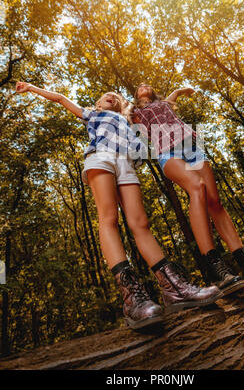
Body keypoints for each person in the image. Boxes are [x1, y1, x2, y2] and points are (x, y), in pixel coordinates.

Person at [15, 81, 222, 330]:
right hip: (101, 157)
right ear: (97, 104)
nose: (110, 96)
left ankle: (174, 289)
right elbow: (60, 98)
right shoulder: (91, 114)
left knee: (141, 223)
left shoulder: (128, 119)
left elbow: (159, 111)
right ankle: (132, 298)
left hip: (127, 163)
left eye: (115, 96)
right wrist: (31, 88)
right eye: (105, 96)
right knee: (109, 219)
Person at [131, 83, 244, 295]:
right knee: (198, 187)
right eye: (140, 86)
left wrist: (183, 91)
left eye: (148, 84)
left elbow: (173, 96)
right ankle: (214, 266)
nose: (145, 85)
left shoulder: (164, 103)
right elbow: (132, 128)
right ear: (135, 95)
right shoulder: (136, 112)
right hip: (167, 153)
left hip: (191, 146)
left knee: (215, 201)